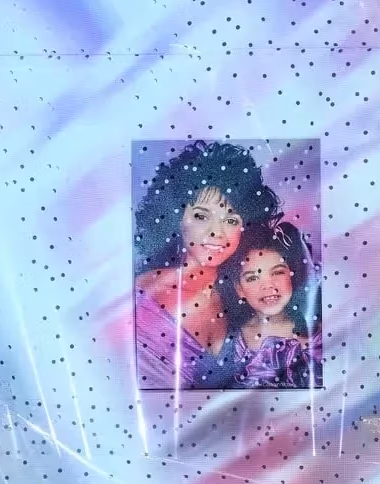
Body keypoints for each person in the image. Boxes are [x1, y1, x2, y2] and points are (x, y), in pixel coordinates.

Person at [133, 141, 282, 389]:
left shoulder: (243, 296)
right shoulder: (142, 295)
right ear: (175, 218)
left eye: (231, 220)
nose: (217, 233)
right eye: (201, 216)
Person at [216, 221, 322, 389]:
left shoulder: (319, 332)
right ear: (239, 289)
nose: (268, 286)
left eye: (277, 272)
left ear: (292, 275)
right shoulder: (230, 340)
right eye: (252, 278)